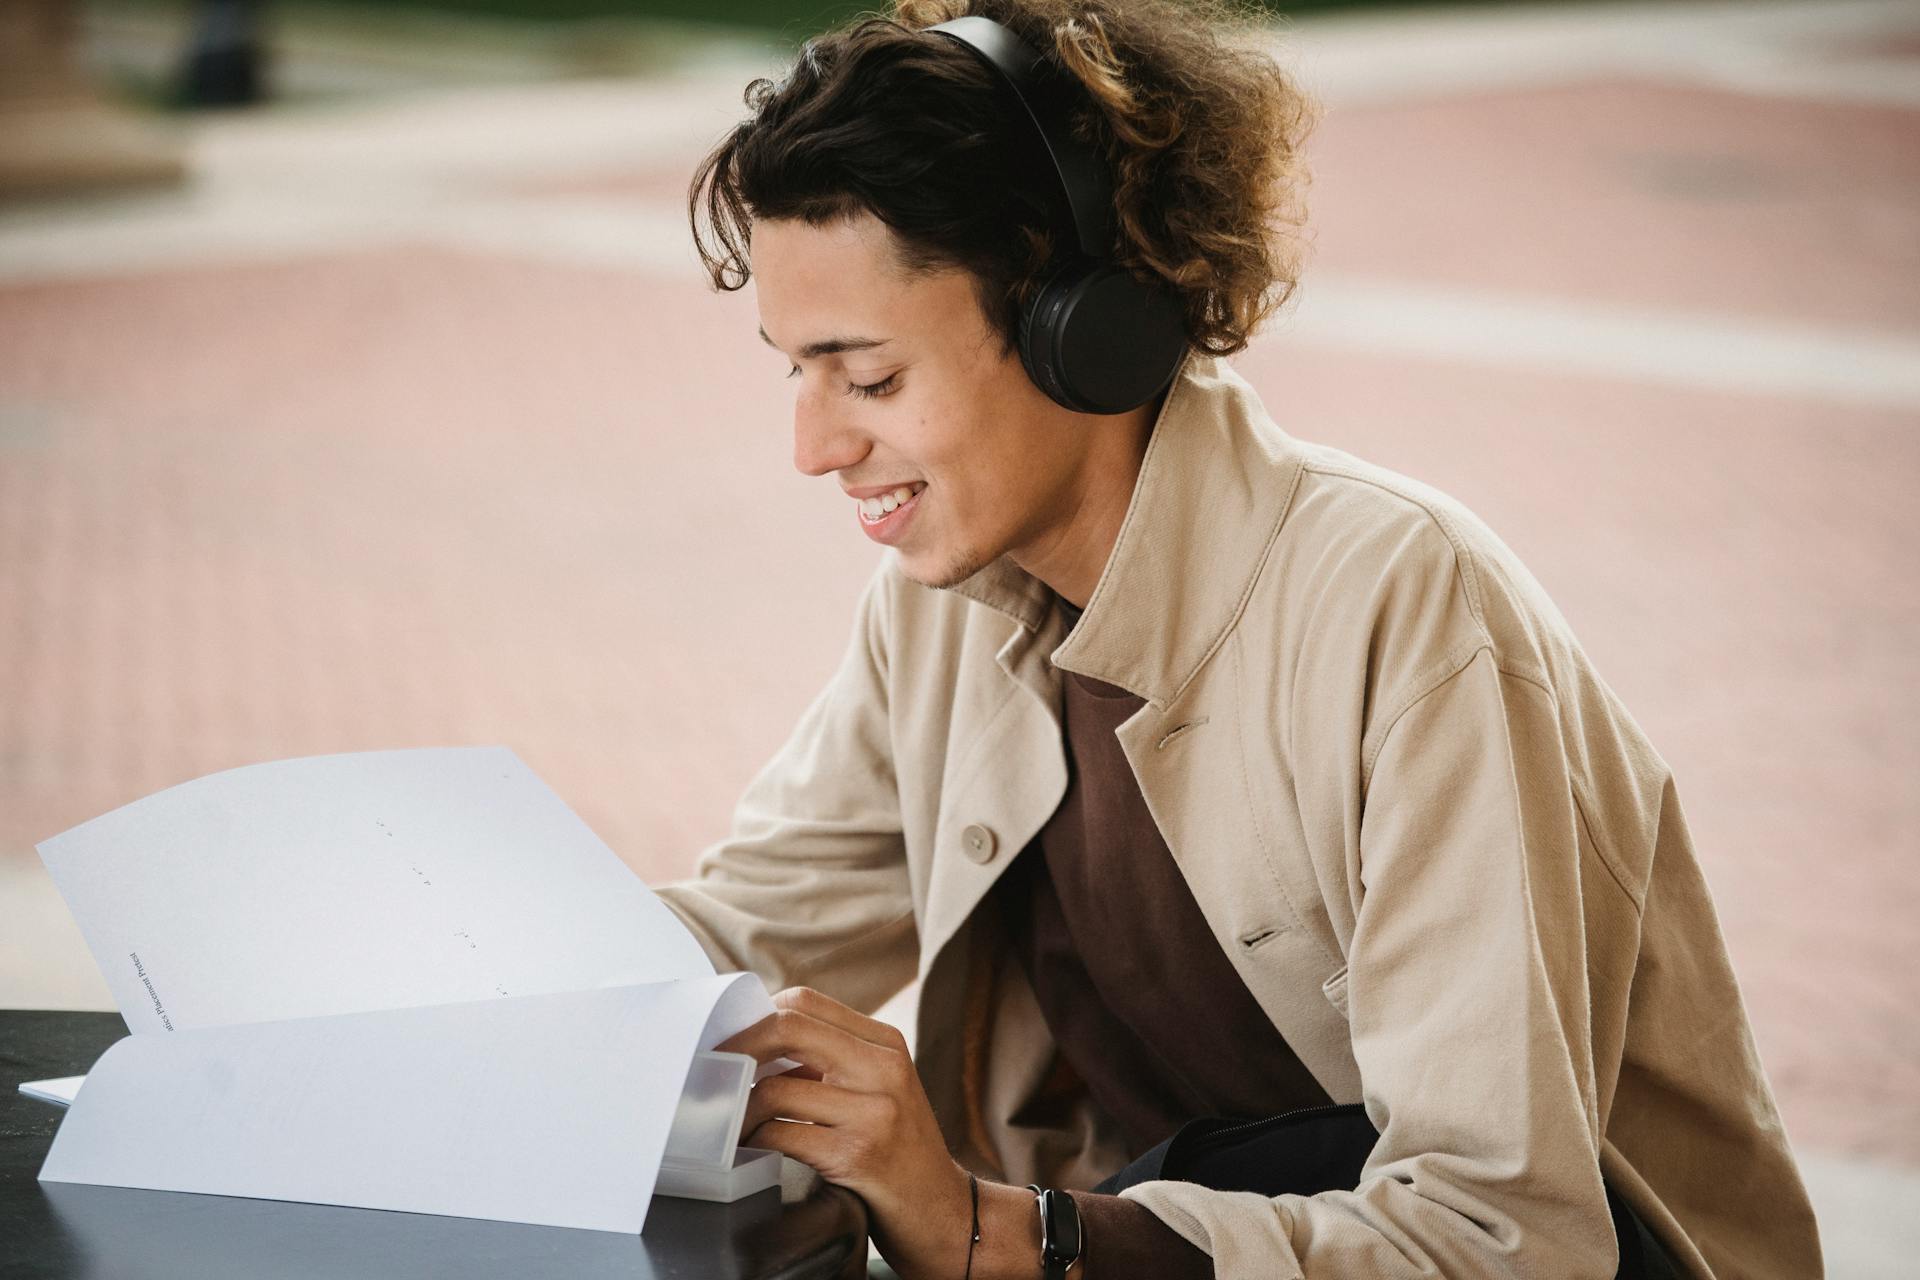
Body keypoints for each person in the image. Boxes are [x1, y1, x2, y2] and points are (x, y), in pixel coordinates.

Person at [658, 1, 1824, 1276]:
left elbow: (1506, 1237)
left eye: (870, 377)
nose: (816, 448)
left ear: (1085, 327)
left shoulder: (1402, 606)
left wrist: (1000, 1233)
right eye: (796, 371)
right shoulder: (942, 603)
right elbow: (740, 927)